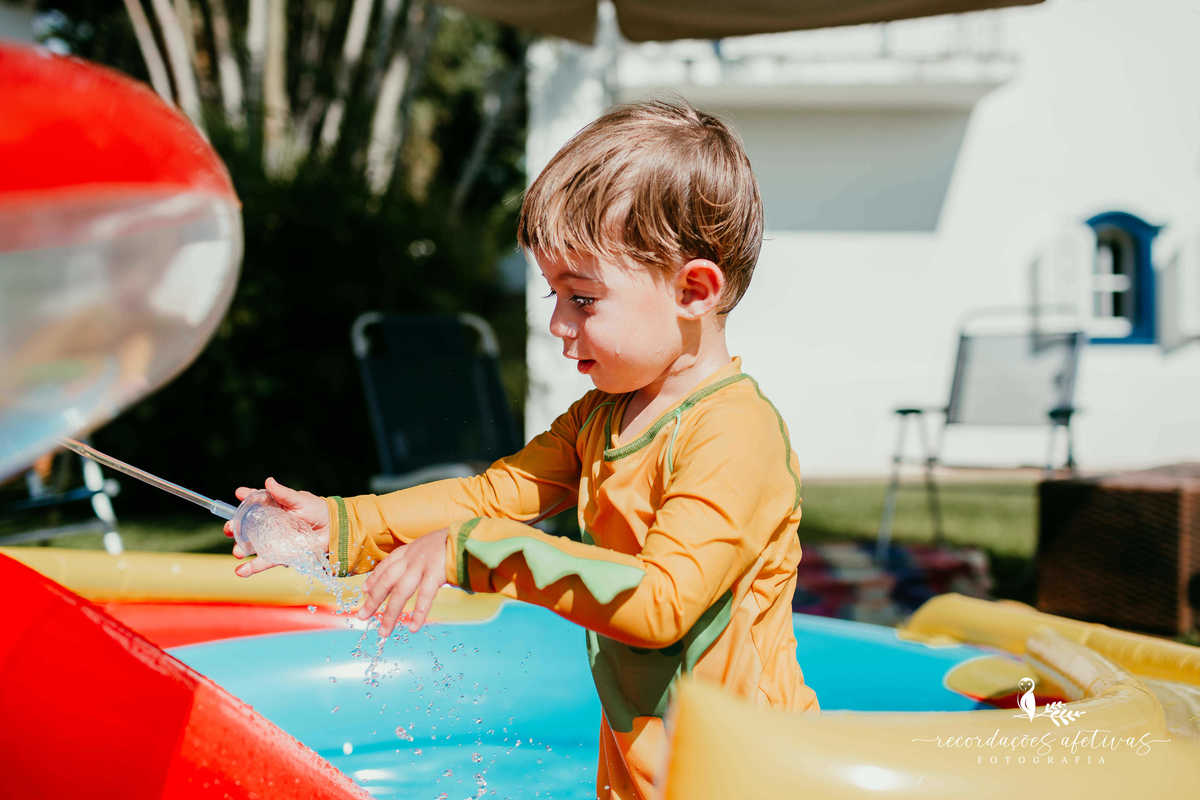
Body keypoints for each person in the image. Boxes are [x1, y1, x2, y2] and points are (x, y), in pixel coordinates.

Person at [228, 99, 820, 800]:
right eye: (554, 293)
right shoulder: (600, 419)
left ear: (694, 289)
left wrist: (471, 551)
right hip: (647, 776)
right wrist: (343, 524)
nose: (557, 324)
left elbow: (662, 601)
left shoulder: (733, 433)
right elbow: (490, 495)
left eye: (583, 298)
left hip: (752, 779)